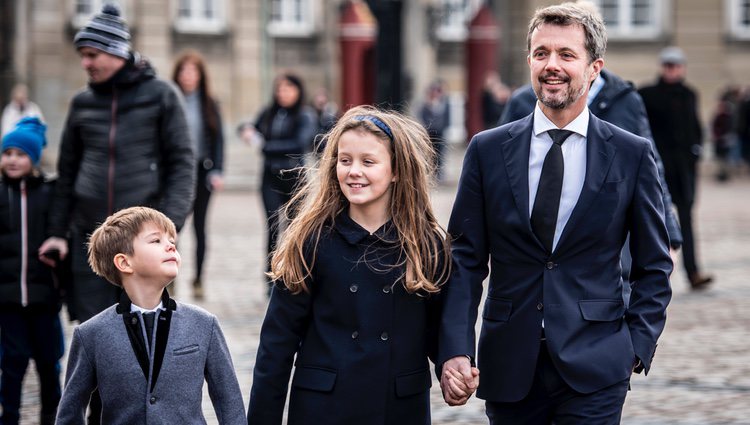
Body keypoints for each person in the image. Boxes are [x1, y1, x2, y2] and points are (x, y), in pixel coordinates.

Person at [439, 3, 673, 424]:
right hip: (510, 362)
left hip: (597, 365)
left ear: (594, 67)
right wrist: (456, 347)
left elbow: (653, 265)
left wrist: (635, 345)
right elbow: (464, 259)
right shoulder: (487, 150)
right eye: (542, 53)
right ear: (529, 60)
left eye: (567, 54)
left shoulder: (630, 153)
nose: (552, 65)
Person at [246, 106, 463, 425]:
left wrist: (452, 364)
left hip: (398, 407)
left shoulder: (426, 245)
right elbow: (276, 345)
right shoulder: (311, 241)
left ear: (396, 170)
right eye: (345, 160)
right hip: (324, 407)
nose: (353, 171)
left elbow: (437, 331)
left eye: (368, 162)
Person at [38, 5, 194, 422]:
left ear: (117, 51)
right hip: (89, 244)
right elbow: (66, 172)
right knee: (96, 340)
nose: (85, 63)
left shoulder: (161, 96)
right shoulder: (82, 103)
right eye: (82, 55)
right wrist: (56, 232)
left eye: (92, 54)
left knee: (146, 338)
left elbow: (182, 164)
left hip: (143, 246)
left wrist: (166, 230)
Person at [55, 206, 245, 424]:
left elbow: (230, 403)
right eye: (156, 241)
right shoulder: (90, 334)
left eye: (172, 241)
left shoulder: (204, 324)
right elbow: (69, 413)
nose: (171, 246)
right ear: (124, 262)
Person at [498, 68, 684, 283]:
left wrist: (669, 232)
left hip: (608, 251)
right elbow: (502, 173)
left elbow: (651, 169)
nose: (554, 64)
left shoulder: (625, 101)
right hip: (538, 251)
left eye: (567, 54)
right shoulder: (522, 102)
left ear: (593, 62)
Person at [0, 117, 63, 425]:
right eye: (7, 153)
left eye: (21, 154)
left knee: (49, 364)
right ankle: (8, 417)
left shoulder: (50, 194)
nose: (12, 160)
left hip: (44, 297)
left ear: (34, 158)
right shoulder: (0, 194)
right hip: (8, 299)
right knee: (12, 363)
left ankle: (51, 417)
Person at [638, 46, 713, 290]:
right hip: (657, 168)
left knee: (687, 222)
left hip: (683, 170)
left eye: (676, 65)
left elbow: (695, 126)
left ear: (682, 68)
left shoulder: (689, 94)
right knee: (651, 221)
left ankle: (693, 272)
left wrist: (695, 152)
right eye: (668, 65)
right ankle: (652, 275)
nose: (672, 70)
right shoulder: (648, 94)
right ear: (662, 67)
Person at [240, 73, 315, 294]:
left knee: (294, 229)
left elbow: (299, 143)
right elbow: (250, 127)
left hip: (294, 178)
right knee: (272, 228)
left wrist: (265, 146)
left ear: (298, 91)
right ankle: (270, 277)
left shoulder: (305, 115)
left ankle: (293, 273)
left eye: (288, 89)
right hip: (270, 177)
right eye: (280, 89)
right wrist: (246, 131)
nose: (283, 93)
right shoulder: (269, 112)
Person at [172, 49, 225, 299]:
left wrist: (218, 169)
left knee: (200, 228)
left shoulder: (209, 103)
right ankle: (169, 278)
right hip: (175, 173)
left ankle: (198, 279)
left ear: (201, 75)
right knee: (172, 228)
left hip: (202, 172)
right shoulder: (170, 99)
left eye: (193, 71)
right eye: (184, 71)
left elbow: (219, 139)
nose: (188, 76)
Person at [418, 80, 451, 181]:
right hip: (430, 132)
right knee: (430, 153)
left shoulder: (444, 104)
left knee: (440, 153)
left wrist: (444, 127)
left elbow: (448, 117)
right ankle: (430, 172)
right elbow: (423, 116)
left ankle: (440, 173)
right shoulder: (426, 104)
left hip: (440, 132)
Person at [310, 87, 339, 154]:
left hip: (327, 149)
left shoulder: (331, 113)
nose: (320, 100)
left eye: (322, 97)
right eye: (318, 97)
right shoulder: (310, 114)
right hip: (313, 150)